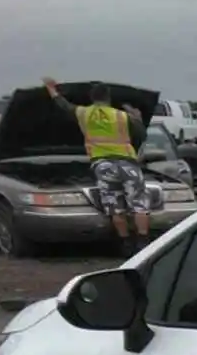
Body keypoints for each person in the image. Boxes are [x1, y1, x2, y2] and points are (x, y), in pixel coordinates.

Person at [42, 78, 150, 247]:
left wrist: (51, 90)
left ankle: (125, 243)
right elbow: (142, 135)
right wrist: (138, 118)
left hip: (103, 165)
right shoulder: (122, 116)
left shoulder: (83, 113)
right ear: (109, 98)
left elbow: (63, 106)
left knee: (114, 206)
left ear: (92, 98)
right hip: (128, 163)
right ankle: (143, 242)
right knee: (139, 204)